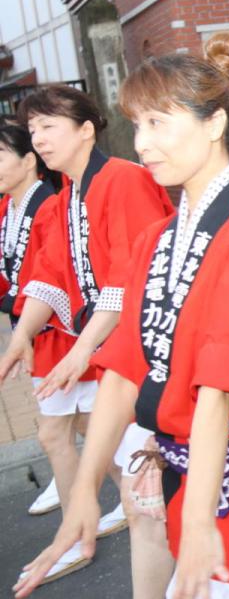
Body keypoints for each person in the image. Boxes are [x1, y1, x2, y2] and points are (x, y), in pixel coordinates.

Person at [15, 32, 229, 599]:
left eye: (158, 123)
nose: (142, 142)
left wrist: (197, 523)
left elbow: (220, 387)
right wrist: (85, 492)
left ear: (214, 124)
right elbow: (123, 370)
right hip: (189, 472)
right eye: (137, 125)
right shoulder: (158, 238)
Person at [2, 84, 174, 594]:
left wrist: (81, 349)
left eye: (49, 125)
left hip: (147, 360)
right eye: (33, 129)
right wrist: (21, 337)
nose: (38, 138)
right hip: (115, 360)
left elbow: (131, 275)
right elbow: (51, 274)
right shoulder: (66, 198)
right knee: (147, 505)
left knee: (156, 504)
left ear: (85, 130)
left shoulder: (123, 181)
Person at [0, 125, 128, 574]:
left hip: (68, 334)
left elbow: (60, 276)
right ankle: (124, 503)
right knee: (90, 429)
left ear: (28, 162)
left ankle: (79, 530)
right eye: (35, 130)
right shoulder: (15, 207)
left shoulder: (55, 203)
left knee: (62, 433)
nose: (41, 139)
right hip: (47, 331)